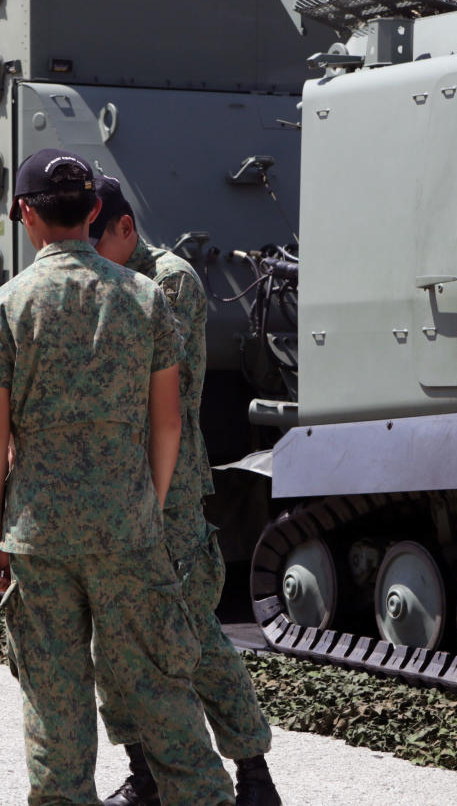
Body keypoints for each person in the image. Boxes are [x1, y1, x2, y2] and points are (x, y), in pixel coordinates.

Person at [0, 148, 235, 805]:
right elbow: (168, 424)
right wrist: (146, 504)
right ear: (94, 212)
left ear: (25, 214)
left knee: (55, 703)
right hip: (129, 531)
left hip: (41, 536)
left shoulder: (5, 306)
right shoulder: (146, 298)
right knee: (159, 683)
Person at [89, 175, 280, 806]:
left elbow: (162, 398)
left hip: (165, 488)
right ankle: (144, 773)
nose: (85, 255)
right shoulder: (99, 277)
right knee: (114, 639)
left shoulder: (167, 281)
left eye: (96, 241)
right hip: (112, 487)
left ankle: (253, 771)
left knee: (191, 633)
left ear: (124, 228)